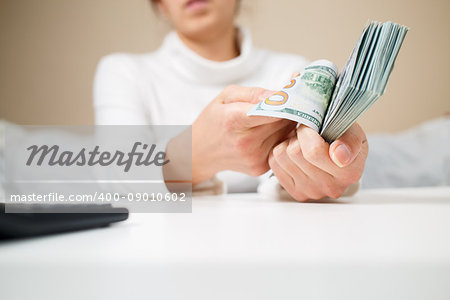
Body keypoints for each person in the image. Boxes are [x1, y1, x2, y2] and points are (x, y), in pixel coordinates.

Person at [93, 0, 368, 201]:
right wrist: (193, 155)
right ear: (160, 5)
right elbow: (113, 178)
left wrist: (332, 166)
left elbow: (328, 179)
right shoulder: (124, 72)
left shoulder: (293, 71)